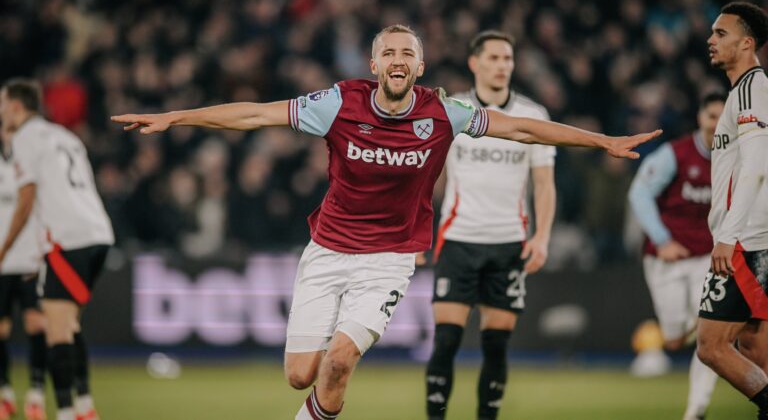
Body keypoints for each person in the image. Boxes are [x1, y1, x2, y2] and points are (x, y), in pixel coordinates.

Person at [112, 24, 660, 420]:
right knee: (302, 374)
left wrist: (601, 141)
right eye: (388, 52)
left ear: (419, 67)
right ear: (374, 65)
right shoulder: (337, 104)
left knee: (340, 361)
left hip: (389, 260)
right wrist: (176, 117)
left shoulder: (443, 112)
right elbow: (255, 114)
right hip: (326, 251)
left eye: (408, 53)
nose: (398, 59)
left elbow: (522, 130)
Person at [424, 30, 555, 420]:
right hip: (458, 240)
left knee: (496, 345)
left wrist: (542, 236)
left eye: (508, 59)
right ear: (474, 63)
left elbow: (544, 185)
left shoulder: (532, 116)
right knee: (446, 341)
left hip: (509, 243)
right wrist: (418, 232)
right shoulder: (453, 110)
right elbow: (429, 179)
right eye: (494, 58)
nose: (502, 66)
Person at [0, 79, 115, 420]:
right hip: (98, 234)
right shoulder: (66, 136)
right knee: (70, 327)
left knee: (57, 330)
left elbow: (26, 199)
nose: (1, 112)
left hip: (67, 239)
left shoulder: (24, 138)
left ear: (18, 107)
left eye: (2, 104)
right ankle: (84, 407)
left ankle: (66, 412)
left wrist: (4, 249)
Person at [628, 93, 726, 420]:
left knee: (708, 338)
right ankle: (678, 330)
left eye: (722, 116)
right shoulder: (675, 154)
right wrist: (663, 239)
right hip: (666, 257)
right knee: (673, 336)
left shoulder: (736, 157)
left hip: (707, 258)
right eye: (711, 115)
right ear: (701, 117)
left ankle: (696, 410)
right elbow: (639, 193)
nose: (716, 123)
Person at [694, 1, 768, 420]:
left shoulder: (752, 89)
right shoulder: (745, 90)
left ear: (747, 43)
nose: (711, 39)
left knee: (712, 346)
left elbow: (757, 166)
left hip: (746, 241)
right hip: (755, 238)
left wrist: (728, 234)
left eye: (720, 33)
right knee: (755, 351)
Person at [0, 120, 47, 420]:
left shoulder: (35, 168)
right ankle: (4, 393)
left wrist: (43, 253)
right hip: (3, 262)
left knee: (36, 325)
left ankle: (36, 394)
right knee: (1, 330)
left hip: (30, 259)